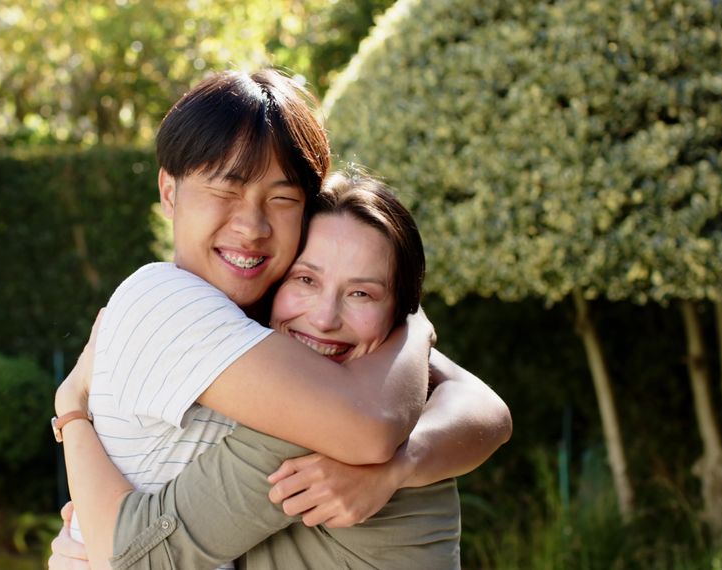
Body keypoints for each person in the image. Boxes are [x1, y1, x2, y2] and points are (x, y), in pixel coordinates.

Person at [50, 70, 511, 568]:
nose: (251, 227)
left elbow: (484, 406)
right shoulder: (170, 300)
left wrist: (398, 465)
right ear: (169, 191)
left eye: (283, 199)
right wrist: (72, 412)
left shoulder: (298, 340)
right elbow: (374, 426)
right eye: (225, 191)